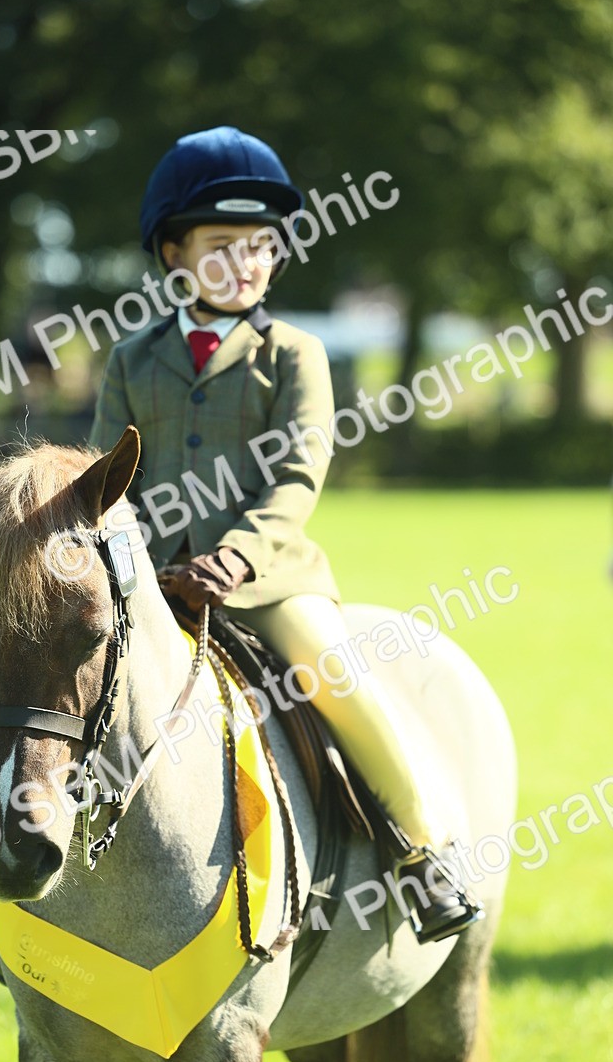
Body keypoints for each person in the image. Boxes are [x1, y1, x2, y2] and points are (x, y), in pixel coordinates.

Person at [90, 125, 482, 944]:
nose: (247, 262)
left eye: (262, 247)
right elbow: (105, 480)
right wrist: (132, 563)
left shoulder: (296, 353)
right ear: (172, 252)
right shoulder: (131, 359)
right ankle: (51, 876)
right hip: (156, 581)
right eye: (223, 245)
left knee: (335, 669)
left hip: (267, 579)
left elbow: (299, 472)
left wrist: (235, 555)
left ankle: (423, 853)